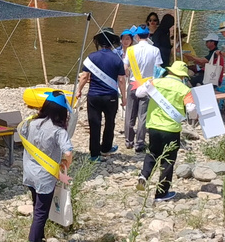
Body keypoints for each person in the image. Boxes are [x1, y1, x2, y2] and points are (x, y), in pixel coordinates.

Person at [18, 92, 73, 242]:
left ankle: (39, 237)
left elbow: (21, 135)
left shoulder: (31, 122)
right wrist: (64, 165)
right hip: (45, 176)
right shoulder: (58, 131)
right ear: (62, 112)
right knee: (41, 212)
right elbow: (68, 152)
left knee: (37, 205)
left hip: (29, 171)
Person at [136, 60, 194, 201]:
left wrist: (149, 84)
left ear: (170, 71)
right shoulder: (185, 90)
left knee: (152, 153)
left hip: (154, 126)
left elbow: (139, 93)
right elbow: (191, 109)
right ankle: (161, 193)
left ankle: (144, 175)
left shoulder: (156, 82)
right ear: (183, 76)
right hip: (171, 129)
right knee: (168, 160)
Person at [77, 29, 126, 160]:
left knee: (94, 124)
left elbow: (84, 76)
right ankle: (106, 147)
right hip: (110, 96)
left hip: (94, 96)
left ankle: (94, 154)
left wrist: (79, 90)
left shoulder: (92, 57)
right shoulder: (117, 59)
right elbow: (121, 80)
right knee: (110, 122)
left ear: (98, 41)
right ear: (112, 42)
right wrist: (124, 97)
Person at [124, 26, 162, 152]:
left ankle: (129, 141)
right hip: (147, 84)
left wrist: (128, 77)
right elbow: (158, 70)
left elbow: (125, 68)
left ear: (137, 36)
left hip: (133, 83)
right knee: (143, 115)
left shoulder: (130, 50)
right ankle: (140, 142)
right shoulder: (155, 50)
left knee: (130, 113)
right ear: (148, 36)